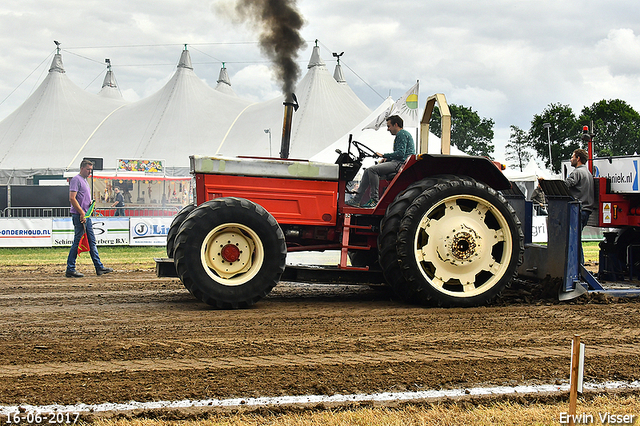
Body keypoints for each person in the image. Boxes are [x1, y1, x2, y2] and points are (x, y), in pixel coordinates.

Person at [347, 115, 416, 207]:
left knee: (372, 170)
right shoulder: (403, 134)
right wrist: (387, 159)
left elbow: (400, 154)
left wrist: (383, 155)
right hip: (399, 161)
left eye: (389, 126)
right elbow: (400, 153)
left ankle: (374, 200)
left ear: (396, 124)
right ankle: (357, 200)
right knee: (368, 170)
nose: (388, 129)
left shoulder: (401, 134)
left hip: (401, 163)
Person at [65, 159, 113, 278]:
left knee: (91, 241)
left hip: (86, 215)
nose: (90, 172)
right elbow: (72, 198)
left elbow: (80, 197)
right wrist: (81, 212)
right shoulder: (76, 180)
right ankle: (70, 268)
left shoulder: (85, 181)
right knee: (78, 242)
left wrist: (89, 203)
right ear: (82, 168)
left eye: (91, 170)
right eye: (88, 169)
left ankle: (99, 267)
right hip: (80, 216)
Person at [565, 148, 595, 263]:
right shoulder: (588, 173)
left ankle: (578, 267)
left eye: (572, 157)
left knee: (574, 240)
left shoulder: (577, 173)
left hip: (578, 210)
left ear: (578, 158)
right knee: (576, 239)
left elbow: (566, 184)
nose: (571, 159)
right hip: (586, 210)